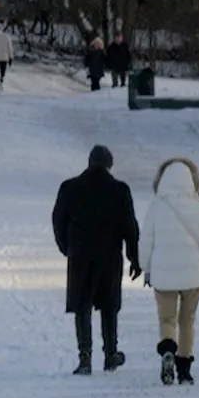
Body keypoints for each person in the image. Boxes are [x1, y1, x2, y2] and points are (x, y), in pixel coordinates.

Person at [51, 145, 140, 375]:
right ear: (110, 165)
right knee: (109, 306)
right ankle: (111, 354)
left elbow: (58, 220)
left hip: (80, 256)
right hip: (109, 257)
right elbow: (130, 227)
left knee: (82, 306)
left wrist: (67, 248)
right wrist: (134, 257)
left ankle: (85, 357)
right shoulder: (120, 190)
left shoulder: (70, 188)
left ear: (89, 162)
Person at [140, 155, 199, 385]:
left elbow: (145, 240)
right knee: (187, 321)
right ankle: (184, 369)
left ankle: (167, 349)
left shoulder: (157, 207)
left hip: (163, 275)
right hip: (193, 275)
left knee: (166, 319)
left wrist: (146, 268)